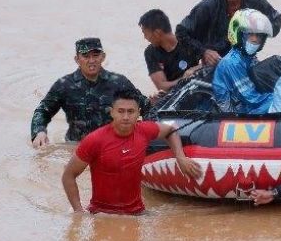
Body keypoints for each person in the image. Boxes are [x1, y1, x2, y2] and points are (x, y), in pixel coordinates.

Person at [61, 90, 202, 214]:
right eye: (121, 111)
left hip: (137, 213)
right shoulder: (95, 140)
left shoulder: (144, 131)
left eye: (131, 111)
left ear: (138, 113)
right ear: (112, 112)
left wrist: (180, 157)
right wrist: (78, 211)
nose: (126, 117)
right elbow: (68, 176)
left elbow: (171, 130)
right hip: (102, 215)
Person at [31, 38, 151, 147]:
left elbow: (146, 106)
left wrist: (146, 134)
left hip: (112, 146)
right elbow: (42, 111)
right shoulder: (65, 85)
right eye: (86, 56)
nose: (91, 60)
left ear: (103, 57)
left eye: (95, 55)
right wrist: (39, 132)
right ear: (77, 59)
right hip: (76, 147)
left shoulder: (119, 83)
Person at [176, 0, 281, 67]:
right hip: (215, 62)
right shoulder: (208, 6)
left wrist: (258, 35)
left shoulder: (255, 2)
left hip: (245, 60)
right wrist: (204, 52)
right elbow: (180, 31)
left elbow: (276, 19)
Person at [212, 9, 274, 114]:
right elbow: (252, 99)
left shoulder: (249, 58)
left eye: (258, 35)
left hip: (248, 106)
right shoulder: (233, 62)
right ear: (239, 35)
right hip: (237, 113)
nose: (255, 39)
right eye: (250, 34)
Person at [139, 9, 203, 91]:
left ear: (157, 33)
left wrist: (194, 69)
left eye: (145, 34)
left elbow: (214, 61)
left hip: (199, 88)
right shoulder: (150, 52)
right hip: (175, 95)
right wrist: (184, 79)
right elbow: (162, 86)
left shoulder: (187, 40)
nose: (145, 38)